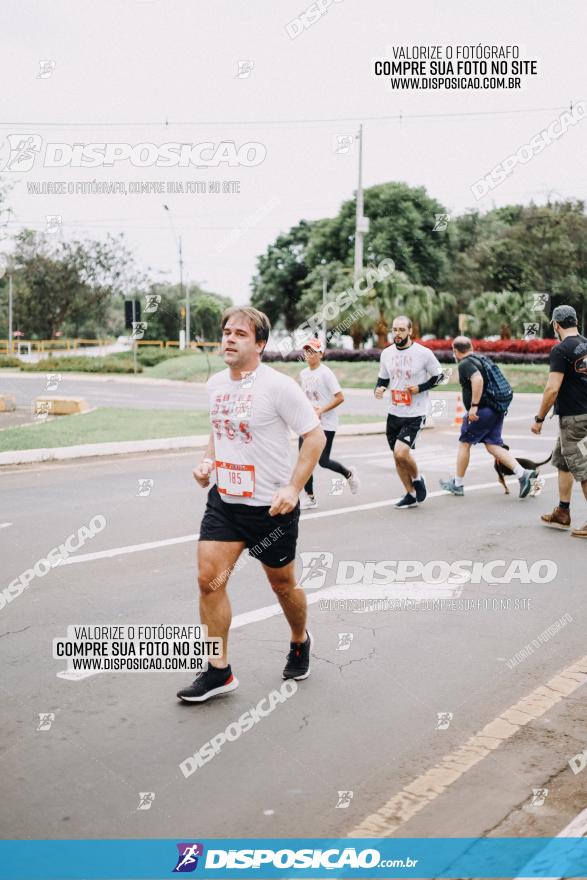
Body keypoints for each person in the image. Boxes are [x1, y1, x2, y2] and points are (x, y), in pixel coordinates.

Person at [177, 307, 326, 703]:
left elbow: (314, 437)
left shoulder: (279, 387)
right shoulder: (215, 385)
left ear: (260, 344)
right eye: (226, 332)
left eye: (240, 333)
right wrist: (208, 461)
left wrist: (294, 488)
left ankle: (299, 639)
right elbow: (219, 427)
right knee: (208, 579)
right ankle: (218, 670)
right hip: (225, 501)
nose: (229, 338)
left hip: (271, 509)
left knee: (281, 584)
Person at [440, 336, 536, 497]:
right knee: (493, 446)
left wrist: (474, 407)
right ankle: (523, 474)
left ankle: (457, 484)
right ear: (471, 347)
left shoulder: (465, 363)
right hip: (496, 408)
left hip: (482, 410)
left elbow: (477, 380)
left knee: (465, 443)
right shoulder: (481, 358)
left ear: (455, 351)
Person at [374, 315, 443, 509]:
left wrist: (420, 388)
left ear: (410, 331)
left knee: (401, 453)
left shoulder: (423, 353)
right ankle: (410, 493)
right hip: (394, 412)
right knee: (397, 457)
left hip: (415, 412)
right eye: (394, 330)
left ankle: (418, 478)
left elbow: (440, 376)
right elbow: (382, 379)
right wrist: (378, 389)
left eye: (401, 330)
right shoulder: (386, 354)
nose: (397, 333)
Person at [531, 305, 587, 537]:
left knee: (583, 469)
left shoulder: (561, 350)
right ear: (574, 321)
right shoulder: (585, 343)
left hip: (574, 419)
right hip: (579, 415)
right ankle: (562, 512)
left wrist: (539, 418)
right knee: (563, 460)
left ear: (555, 325)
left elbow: (552, 389)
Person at [297, 338, 360, 509]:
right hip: (307, 424)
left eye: (313, 351)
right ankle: (310, 497)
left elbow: (340, 397)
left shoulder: (326, 373)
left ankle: (349, 474)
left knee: (323, 461)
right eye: (307, 351)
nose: (309, 354)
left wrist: (320, 411)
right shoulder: (304, 374)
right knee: (304, 460)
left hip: (326, 424)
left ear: (321, 354)